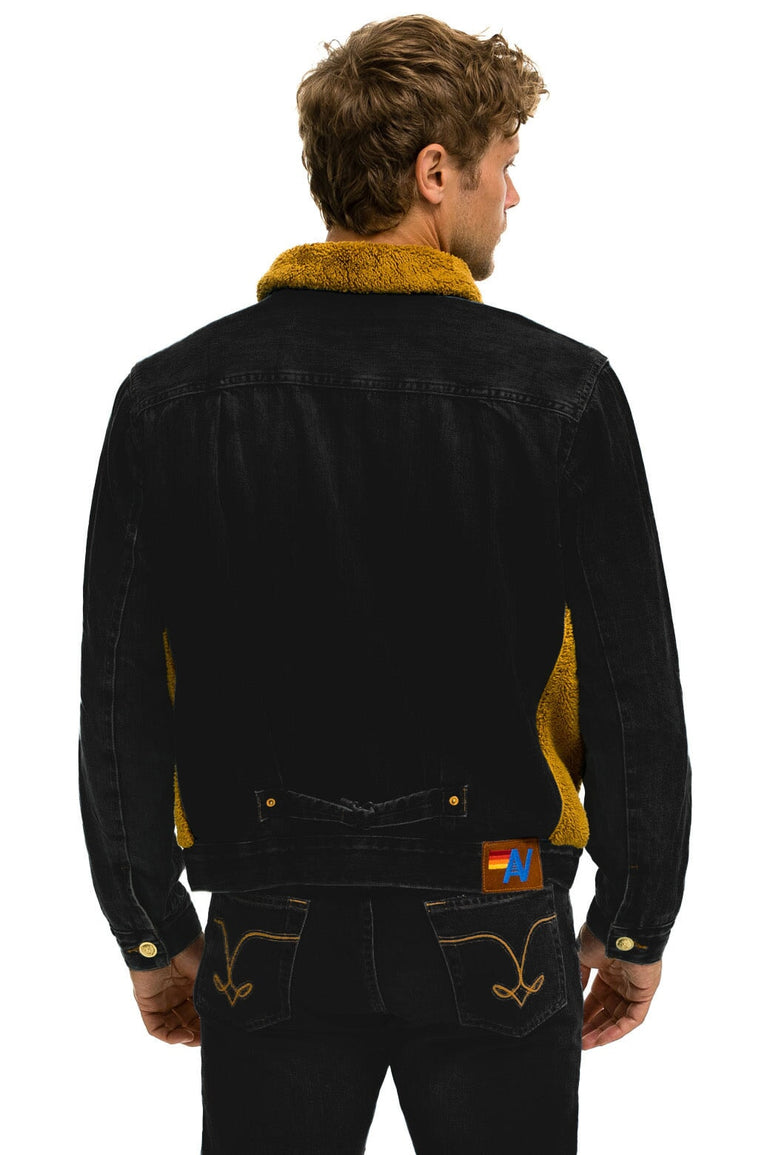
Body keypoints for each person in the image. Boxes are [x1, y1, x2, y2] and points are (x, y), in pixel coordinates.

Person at [78, 14, 692, 1154]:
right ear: (434, 172)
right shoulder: (559, 394)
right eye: (505, 164)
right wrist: (634, 920)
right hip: (501, 906)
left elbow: (120, 694)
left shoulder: (170, 399)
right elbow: (633, 689)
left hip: (265, 920)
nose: (513, 195)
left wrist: (151, 929)